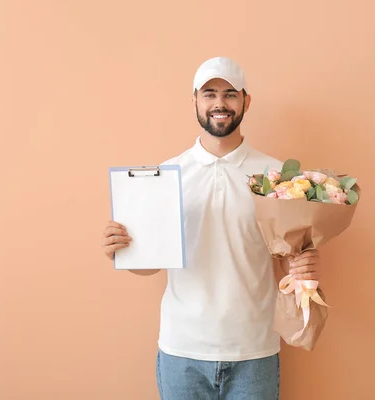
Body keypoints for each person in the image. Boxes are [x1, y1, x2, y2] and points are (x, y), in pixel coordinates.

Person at [102, 56, 322, 399]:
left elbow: (286, 259)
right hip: (182, 350)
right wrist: (124, 248)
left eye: (230, 93)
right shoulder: (166, 175)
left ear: (246, 101)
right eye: (209, 94)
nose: (220, 103)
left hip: (254, 350)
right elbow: (151, 264)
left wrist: (301, 267)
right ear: (194, 101)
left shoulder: (277, 177)